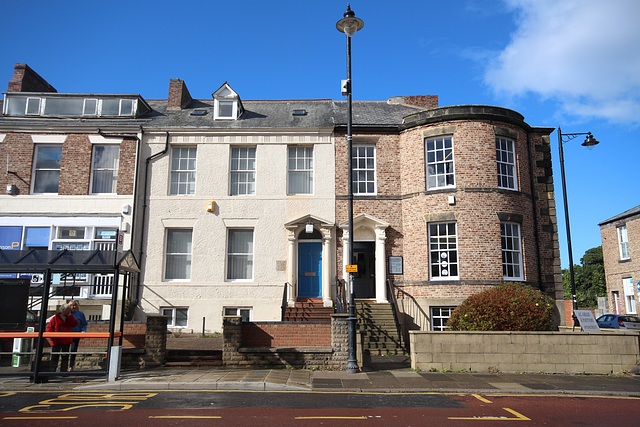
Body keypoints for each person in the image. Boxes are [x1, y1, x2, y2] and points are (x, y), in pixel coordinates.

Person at [46, 303, 78, 372]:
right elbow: (49, 328)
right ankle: (52, 371)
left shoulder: (69, 317)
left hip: (66, 340)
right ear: (63, 310)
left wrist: (70, 316)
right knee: (55, 356)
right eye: (68, 310)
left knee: (65, 356)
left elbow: (74, 324)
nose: (69, 311)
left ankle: (63, 371)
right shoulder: (55, 318)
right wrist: (52, 337)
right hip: (56, 340)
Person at [68, 300, 87, 371]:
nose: (73, 307)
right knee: (65, 350)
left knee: (73, 349)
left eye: (75, 305)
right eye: (72, 305)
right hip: (67, 335)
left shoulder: (80, 314)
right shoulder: (67, 314)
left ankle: (71, 366)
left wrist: (83, 331)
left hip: (76, 334)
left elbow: (84, 323)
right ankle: (63, 367)